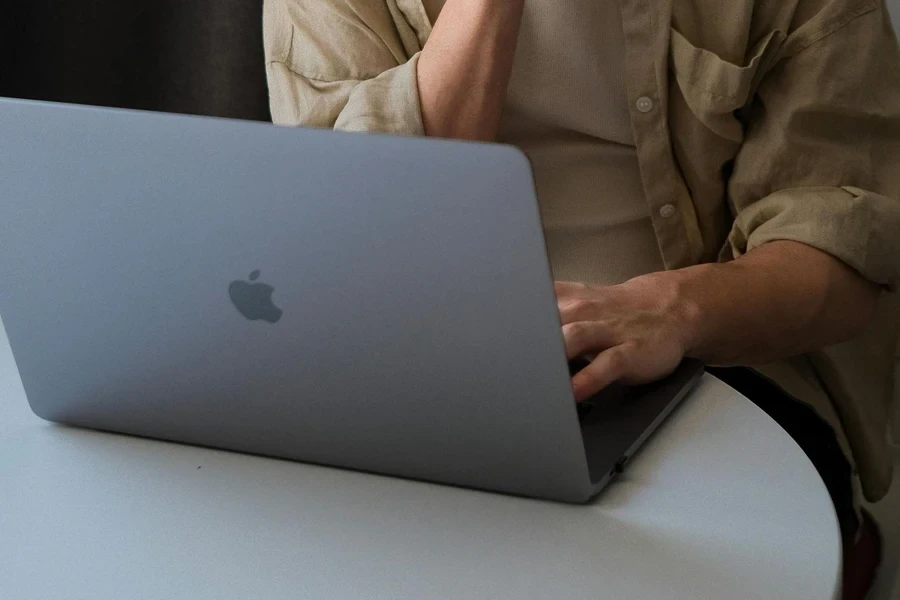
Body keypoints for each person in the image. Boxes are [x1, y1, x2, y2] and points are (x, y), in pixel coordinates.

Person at [263, 0, 900, 596]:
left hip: (721, 364)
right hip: (424, 359)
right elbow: (363, 250)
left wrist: (674, 311)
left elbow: (841, 256)